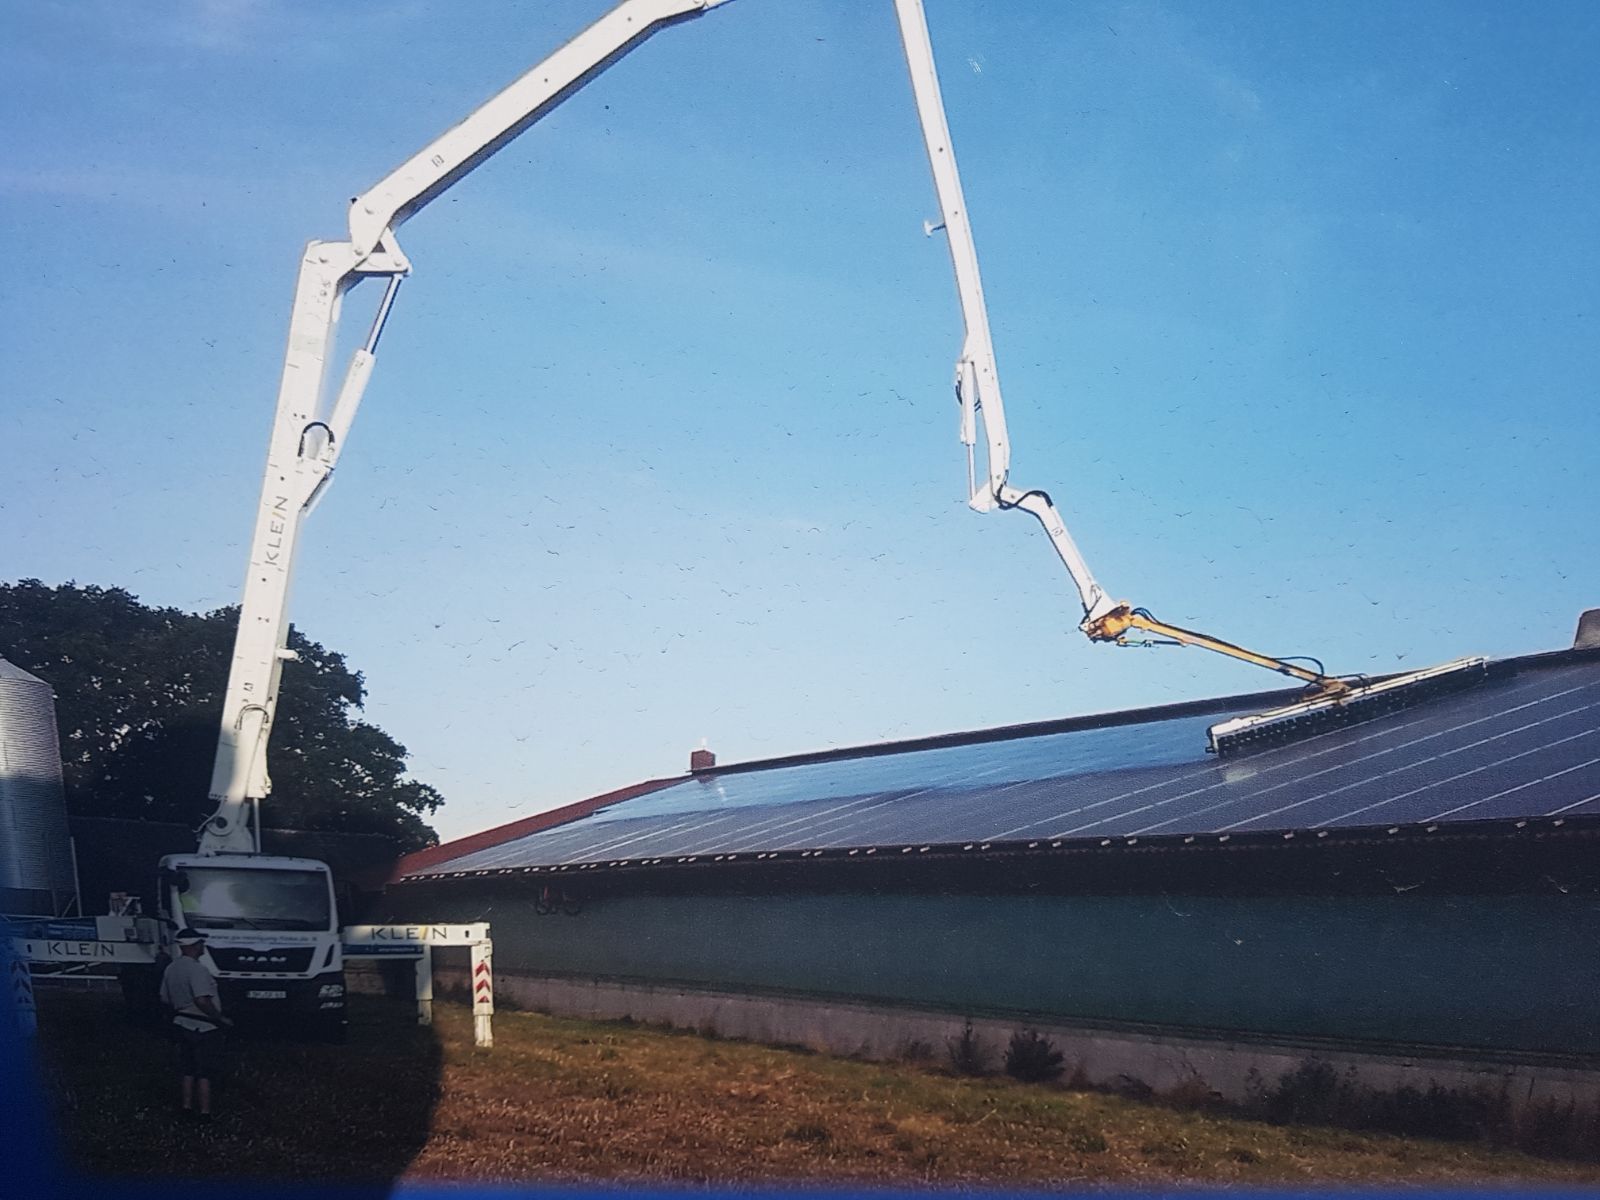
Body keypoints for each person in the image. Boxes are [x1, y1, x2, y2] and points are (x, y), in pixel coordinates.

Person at [158, 928, 230, 1122]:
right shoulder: (197, 969)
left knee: (187, 1068)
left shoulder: (171, 968)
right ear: (194, 946)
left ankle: (186, 1107)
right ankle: (205, 1112)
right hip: (203, 1026)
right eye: (201, 943)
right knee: (205, 1070)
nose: (203, 947)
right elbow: (202, 1000)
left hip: (180, 1023)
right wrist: (219, 1018)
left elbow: (165, 998)